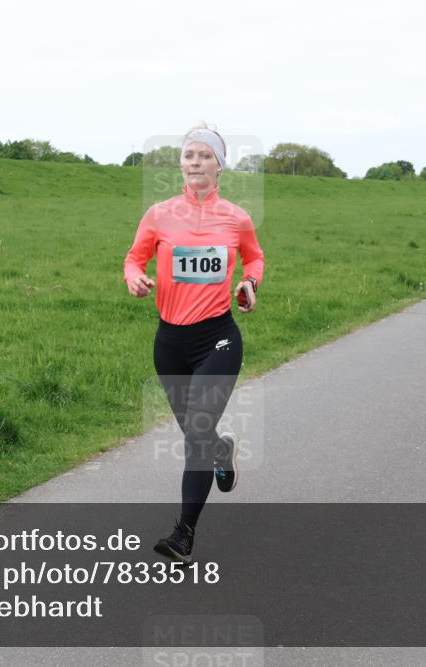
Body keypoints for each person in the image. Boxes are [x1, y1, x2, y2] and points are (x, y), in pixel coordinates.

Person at [123, 123, 265, 564]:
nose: (195, 163)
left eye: (205, 156)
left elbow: (255, 256)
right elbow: (133, 258)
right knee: (198, 434)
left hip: (217, 338)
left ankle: (183, 534)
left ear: (219, 165)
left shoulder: (237, 217)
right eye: (189, 156)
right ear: (181, 165)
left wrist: (249, 282)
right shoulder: (159, 214)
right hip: (170, 342)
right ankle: (221, 451)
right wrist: (135, 278)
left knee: (197, 433)